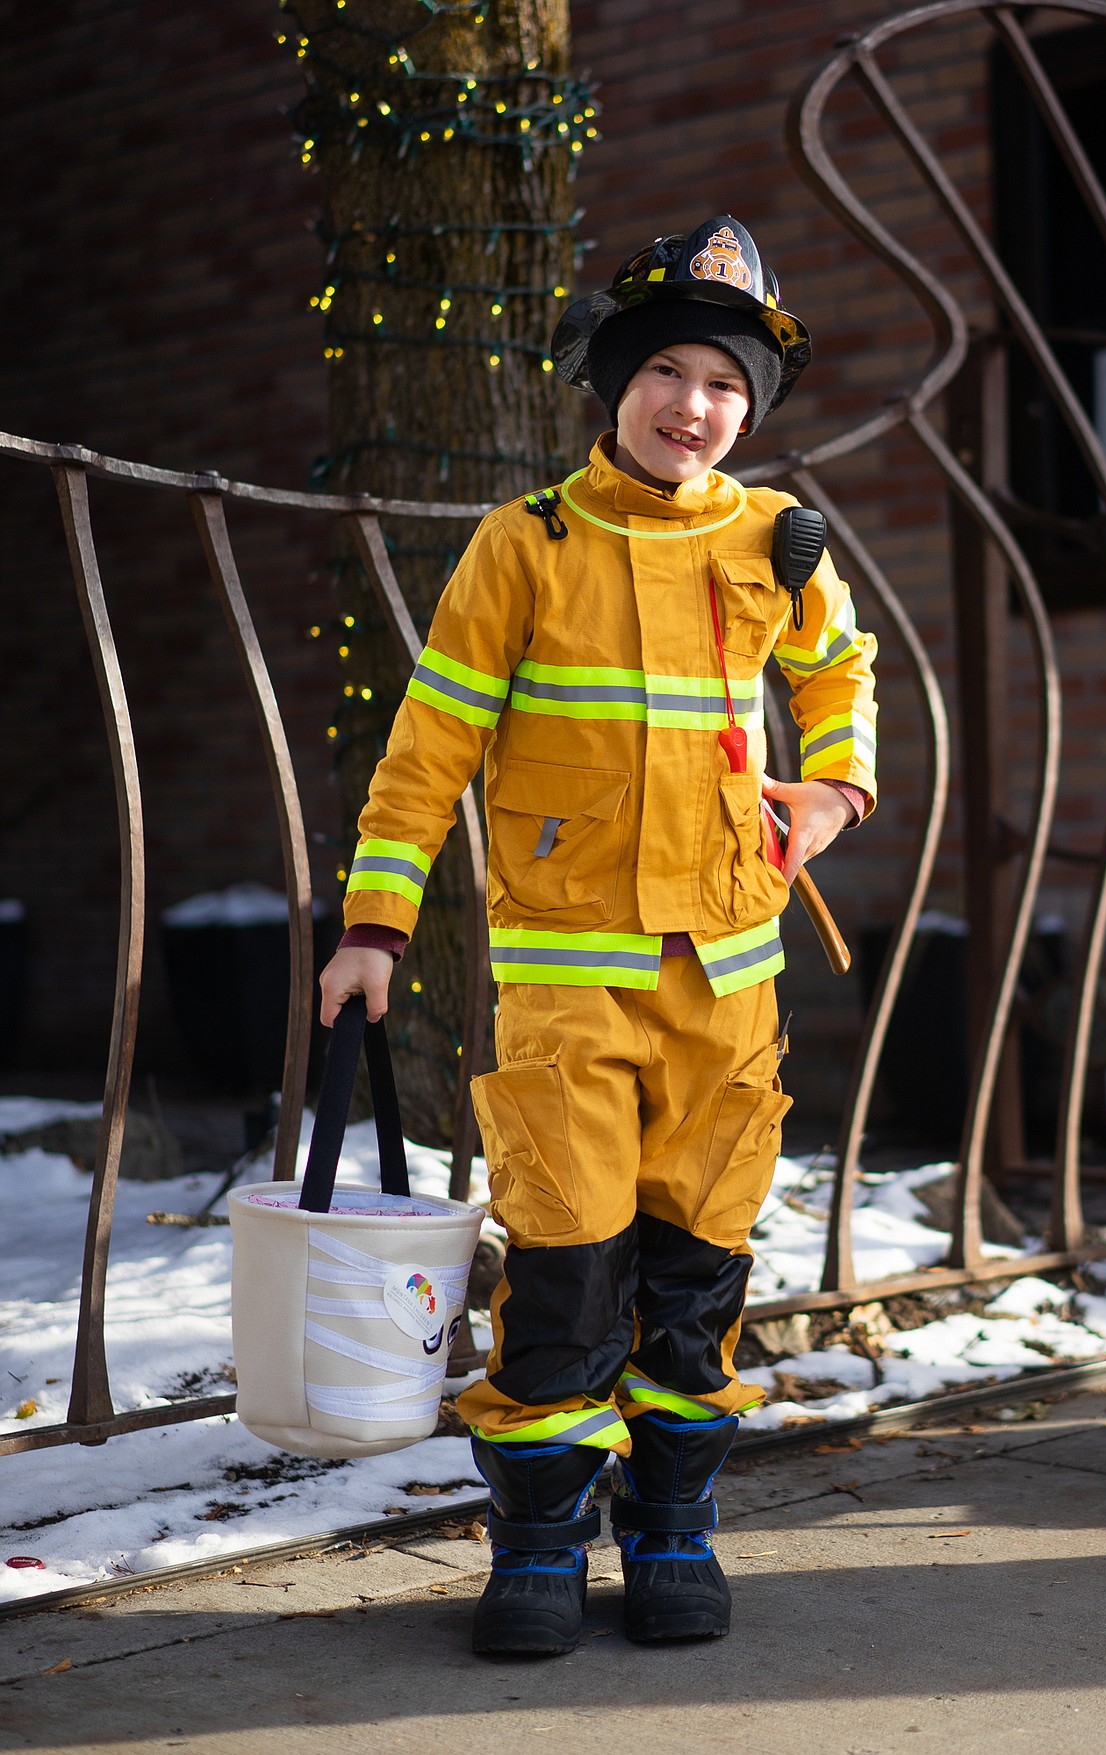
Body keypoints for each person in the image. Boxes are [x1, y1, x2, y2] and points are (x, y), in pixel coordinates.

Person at [318, 216, 877, 1657]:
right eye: (667, 373)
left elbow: (836, 674)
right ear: (608, 379)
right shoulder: (527, 545)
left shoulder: (776, 539)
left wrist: (828, 790)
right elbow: (429, 743)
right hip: (568, 986)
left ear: (749, 412)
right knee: (565, 1261)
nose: (693, 407)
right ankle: (539, 1540)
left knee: (698, 1269)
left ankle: (675, 1526)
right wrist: (373, 922)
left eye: (725, 387)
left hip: (727, 979)